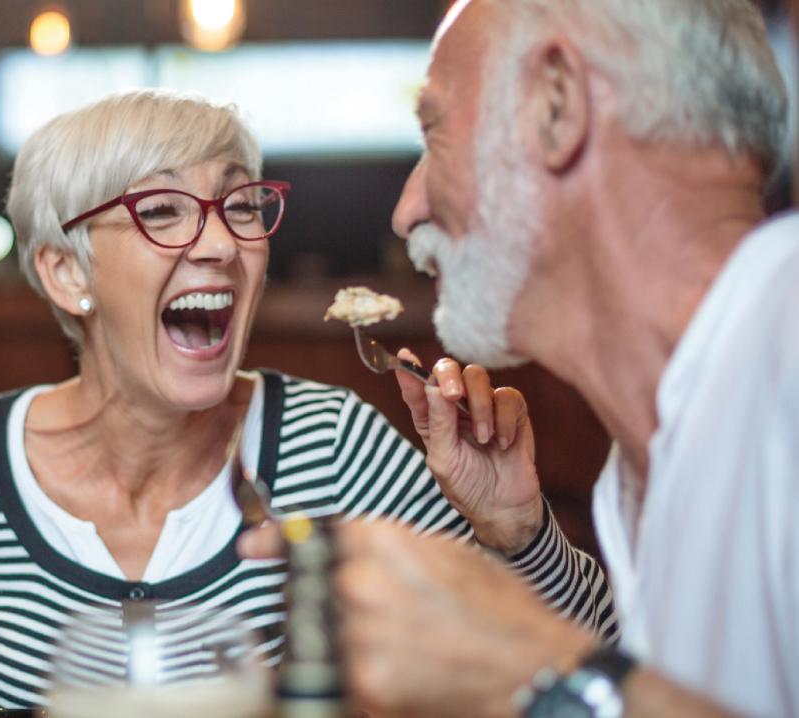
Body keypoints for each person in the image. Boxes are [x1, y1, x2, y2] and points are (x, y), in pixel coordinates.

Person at [0, 88, 616, 718]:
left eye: (239, 208)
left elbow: (591, 675)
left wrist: (519, 533)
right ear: (66, 271)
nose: (222, 247)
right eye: (163, 213)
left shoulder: (332, 448)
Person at [244, 0, 798, 715]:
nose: (404, 210)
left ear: (556, 105)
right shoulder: (640, 467)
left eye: (435, 134)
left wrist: (531, 666)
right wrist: (522, 540)